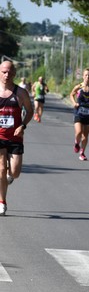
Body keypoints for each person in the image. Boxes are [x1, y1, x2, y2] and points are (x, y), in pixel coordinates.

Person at [0, 60, 33, 215]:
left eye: (9, 72)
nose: (6, 75)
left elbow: (30, 111)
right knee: (0, 169)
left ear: (14, 74)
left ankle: (9, 175)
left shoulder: (20, 93)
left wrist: (23, 125)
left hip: (15, 137)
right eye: (3, 72)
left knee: (15, 173)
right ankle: (2, 202)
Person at [69, 68, 89, 161]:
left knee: (85, 135)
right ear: (83, 76)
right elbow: (71, 94)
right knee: (78, 132)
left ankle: (82, 153)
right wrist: (74, 103)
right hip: (79, 112)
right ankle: (76, 142)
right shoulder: (78, 87)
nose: (87, 77)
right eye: (86, 75)